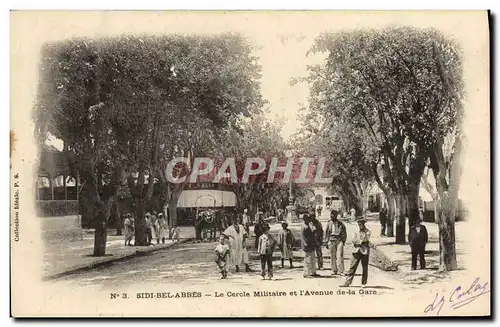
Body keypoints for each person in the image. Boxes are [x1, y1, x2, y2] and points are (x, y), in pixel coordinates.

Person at [341, 217, 371, 287]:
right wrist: (362, 242)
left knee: (365, 267)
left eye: (362, 223)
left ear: (364, 224)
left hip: (364, 251)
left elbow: (366, 239)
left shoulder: (368, 231)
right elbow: (353, 240)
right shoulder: (355, 231)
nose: (360, 225)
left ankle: (364, 283)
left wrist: (360, 241)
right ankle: (347, 282)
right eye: (359, 223)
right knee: (352, 267)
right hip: (356, 251)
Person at [324, 210, 347, 275]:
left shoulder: (340, 224)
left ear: (336, 216)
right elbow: (327, 233)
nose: (331, 216)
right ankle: (334, 270)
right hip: (331, 240)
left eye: (333, 215)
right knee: (332, 256)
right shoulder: (329, 223)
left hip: (339, 240)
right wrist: (326, 242)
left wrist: (343, 241)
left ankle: (341, 270)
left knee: (339, 256)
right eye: (331, 215)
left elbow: (344, 233)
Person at [301, 214, 320, 278]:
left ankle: (313, 272)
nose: (309, 220)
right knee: (307, 259)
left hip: (311, 243)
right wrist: (305, 244)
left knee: (312, 258)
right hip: (307, 244)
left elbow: (313, 232)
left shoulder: (309, 225)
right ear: (304, 219)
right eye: (307, 219)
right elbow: (302, 236)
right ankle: (306, 273)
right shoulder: (303, 226)